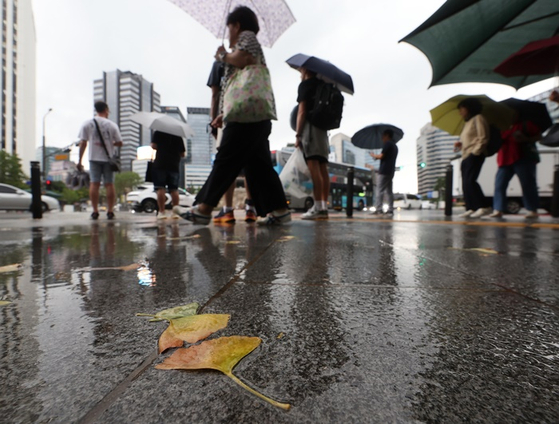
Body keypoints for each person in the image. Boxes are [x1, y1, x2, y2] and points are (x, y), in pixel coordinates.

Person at [177, 6, 290, 226]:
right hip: (252, 116)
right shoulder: (244, 42)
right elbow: (236, 85)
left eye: (229, 27)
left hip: (246, 118)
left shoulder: (247, 37)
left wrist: (222, 55)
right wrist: (223, 113)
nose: (228, 32)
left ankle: (204, 208)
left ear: (236, 25)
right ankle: (281, 212)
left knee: (226, 160)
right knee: (259, 167)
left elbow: (243, 59)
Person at [207, 60, 256, 224]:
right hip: (249, 116)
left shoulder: (220, 63)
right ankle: (251, 207)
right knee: (249, 164)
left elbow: (215, 94)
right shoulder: (248, 61)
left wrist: (213, 121)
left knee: (228, 164)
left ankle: (228, 210)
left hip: (226, 116)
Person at [488, 109, 542, 219]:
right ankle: (498, 209)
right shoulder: (501, 128)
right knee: (499, 185)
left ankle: (532, 209)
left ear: (518, 114)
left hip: (523, 158)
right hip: (504, 159)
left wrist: (526, 139)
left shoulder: (526, 124)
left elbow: (539, 136)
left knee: (527, 184)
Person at [77, 101, 123, 220]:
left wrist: (80, 160)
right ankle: (110, 211)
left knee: (94, 183)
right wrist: (111, 143)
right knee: (109, 184)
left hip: (93, 157)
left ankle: (95, 211)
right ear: (106, 110)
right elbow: (120, 142)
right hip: (109, 159)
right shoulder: (112, 125)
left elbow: (83, 143)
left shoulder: (87, 123)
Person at [295, 68, 330, 220]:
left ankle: (317, 207)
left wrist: (298, 134)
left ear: (306, 70)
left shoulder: (305, 85)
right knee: (323, 167)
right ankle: (323, 207)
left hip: (310, 129)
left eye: (300, 70)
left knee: (313, 165)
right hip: (323, 130)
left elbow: (302, 112)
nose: (299, 72)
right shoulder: (323, 85)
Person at [453, 98, 492, 218]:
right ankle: (470, 207)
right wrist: (460, 144)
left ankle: (484, 206)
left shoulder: (478, 118)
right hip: (465, 155)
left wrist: (475, 152)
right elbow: (469, 140)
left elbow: (483, 137)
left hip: (474, 154)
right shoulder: (466, 123)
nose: (460, 112)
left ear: (469, 108)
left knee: (470, 181)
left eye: (461, 109)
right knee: (465, 183)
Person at [150, 130, 186, 219]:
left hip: (160, 164)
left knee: (160, 188)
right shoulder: (178, 135)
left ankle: (162, 212)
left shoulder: (158, 132)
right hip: (174, 166)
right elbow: (183, 154)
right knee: (174, 190)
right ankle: (175, 213)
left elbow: (153, 146)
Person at [370, 129, 398, 217]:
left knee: (379, 190)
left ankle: (379, 209)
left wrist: (374, 156)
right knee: (389, 191)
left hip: (384, 170)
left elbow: (381, 156)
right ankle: (390, 210)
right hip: (391, 170)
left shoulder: (388, 144)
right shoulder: (395, 146)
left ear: (387, 135)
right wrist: (376, 157)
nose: (382, 138)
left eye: (383, 135)